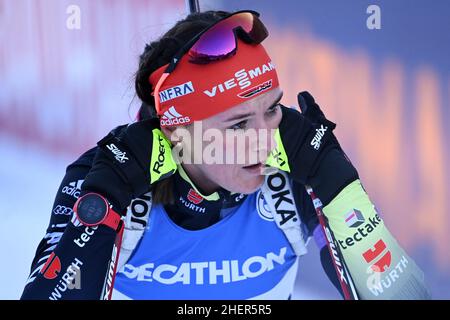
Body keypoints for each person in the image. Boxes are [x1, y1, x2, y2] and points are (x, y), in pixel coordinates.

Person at [21, 10, 430, 300]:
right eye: (237, 125)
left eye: (272, 110)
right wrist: (103, 204)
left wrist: (340, 186)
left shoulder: (294, 178)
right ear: (179, 132)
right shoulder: (105, 177)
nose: (264, 140)